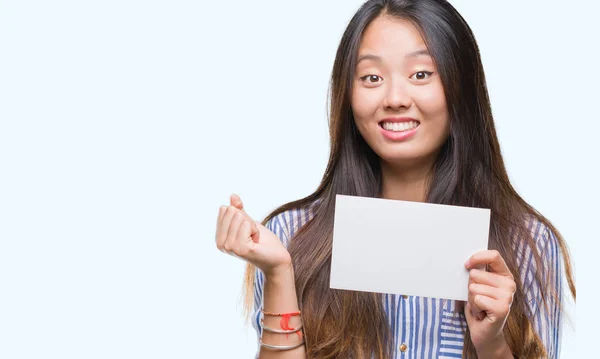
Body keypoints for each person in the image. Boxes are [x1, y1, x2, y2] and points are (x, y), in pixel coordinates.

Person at [214, 0, 576, 357]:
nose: (395, 98)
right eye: (371, 77)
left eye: (421, 74)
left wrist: (492, 343)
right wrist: (279, 273)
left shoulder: (527, 243)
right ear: (347, 93)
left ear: (460, 86)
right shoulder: (291, 237)